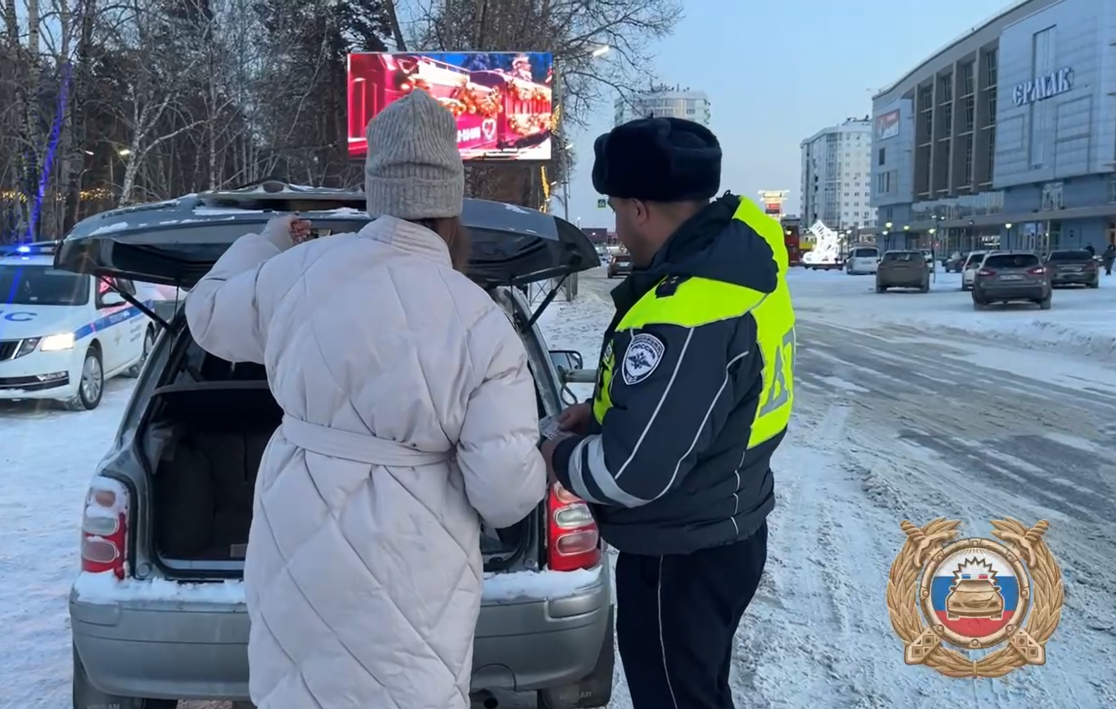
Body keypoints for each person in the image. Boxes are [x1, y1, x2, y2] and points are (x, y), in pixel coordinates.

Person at [185, 89, 547, 709]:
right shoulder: (480, 321)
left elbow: (208, 314)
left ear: (377, 190)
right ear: (450, 204)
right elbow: (506, 496)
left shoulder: (299, 272)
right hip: (414, 566)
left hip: (298, 541)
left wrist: (266, 241)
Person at [539, 117, 795, 709]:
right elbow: (700, 402)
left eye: (616, 209)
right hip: (728, 523)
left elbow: (631, 475)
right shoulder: (741, 263)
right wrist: (600, 416)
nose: (620, 227)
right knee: (698, 692)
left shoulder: (688, 311)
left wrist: (555, 452)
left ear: (639, 208)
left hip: (679, 555)